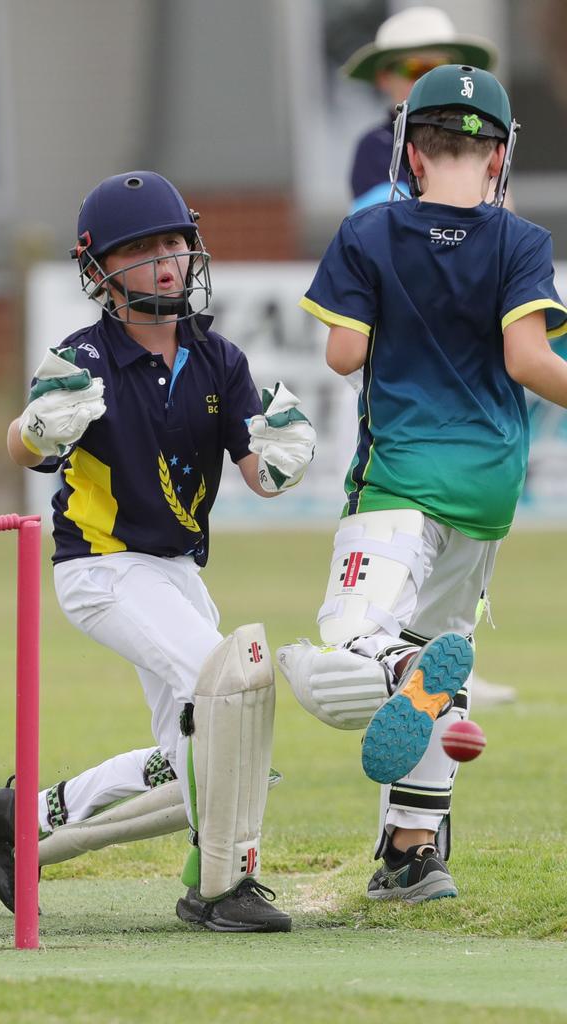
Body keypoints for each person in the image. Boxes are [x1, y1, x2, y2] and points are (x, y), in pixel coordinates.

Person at [0, 171, 316, 932]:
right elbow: (21, 446)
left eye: (173, 242)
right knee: (232, 692)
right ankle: (224, 887)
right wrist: (38, 429)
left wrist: (283, 457)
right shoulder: (84, 355)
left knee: (200, 759)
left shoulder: (219, 358)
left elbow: (260, 476)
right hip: (100, 569)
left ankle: (20, 816)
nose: (164, 261)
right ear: (98, 270)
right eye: (139, 250)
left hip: (173, 573)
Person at [278, 65, 567, 903]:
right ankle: (411, 853)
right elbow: (528, 361)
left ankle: (403, 666)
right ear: (499, 155)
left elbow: (343, 356)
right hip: (487, 494)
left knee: (341, 653)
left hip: (400, 482)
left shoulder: (369, 233)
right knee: (447, 659)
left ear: (408, 147)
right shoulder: (522, 243)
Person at [343, 8, 514, 707]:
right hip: (409, 359)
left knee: (471, 527)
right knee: (401, 522)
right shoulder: (372, 150)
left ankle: (445, 658)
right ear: (386, 78)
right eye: (408, 69)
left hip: (474, 368)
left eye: (432, 66)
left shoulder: (491, 158)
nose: (419, 80)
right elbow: (385, 234)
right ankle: (392, 656)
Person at [344, 6, 497, 212]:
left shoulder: (478, 135)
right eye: (414, 69)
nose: (429, 81)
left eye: (439, 69)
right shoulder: (375, 147)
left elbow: (500, 216)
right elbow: (387, 225)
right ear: (384, 78)